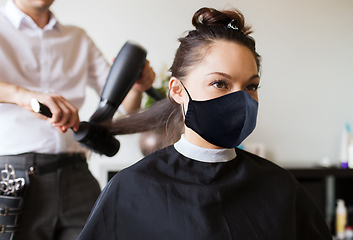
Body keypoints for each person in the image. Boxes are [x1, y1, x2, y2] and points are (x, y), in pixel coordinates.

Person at [78, 7, 332, 240]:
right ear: (177, 90)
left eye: (250, 86)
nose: (241, 100)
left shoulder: (282, 189)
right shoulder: (132, 188)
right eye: (220, 83)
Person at [0, 0, 155, 239]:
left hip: (76, 171)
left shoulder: (78, 37)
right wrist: (23, 95)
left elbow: (127, 107)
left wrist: (136, 85)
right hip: (13, 174)